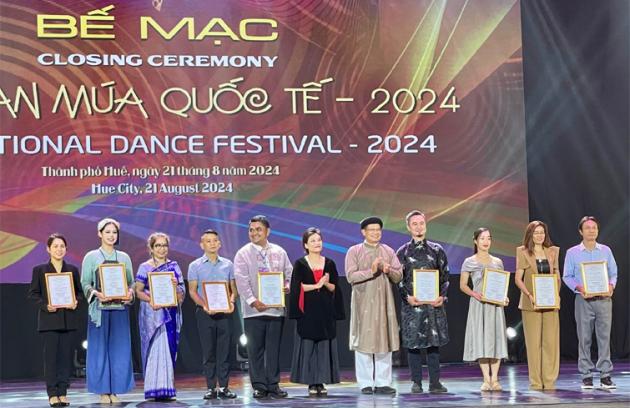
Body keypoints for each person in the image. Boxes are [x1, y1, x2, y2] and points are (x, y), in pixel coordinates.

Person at [234, 215, 293, 399]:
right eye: (251, 230)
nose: (254, 233)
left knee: (273, 350)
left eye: (258, 229)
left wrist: (287, 285)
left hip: (275, 310)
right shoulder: (243, 253)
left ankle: (273, 385)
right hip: (253, 311)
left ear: (268, 231)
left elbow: (289, 273)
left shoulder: (279, 251)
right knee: (255, 351)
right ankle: (259, 386)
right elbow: (241, 281)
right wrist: (253, 301)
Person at [81, 218, 135, 404]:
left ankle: (115, 390)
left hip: (119, 309)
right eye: (107, 232)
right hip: (99, 311)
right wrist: (96, 293)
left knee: (119, 350)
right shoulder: (91, 257)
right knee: (99, 351)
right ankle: (103, 391)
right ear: (100, 234)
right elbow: (85, 283)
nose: (111, 235)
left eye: (114, 232)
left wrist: (130, 293)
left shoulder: (124, 257)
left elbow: (131, 283)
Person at [346, 216, 402, 395]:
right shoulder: (354, 251)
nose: (376, 233)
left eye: (378, 230)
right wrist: (371, 271)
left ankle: (383, 382)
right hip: (363, 303)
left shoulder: (388, 251)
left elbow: (398, 276)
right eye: (372, 230)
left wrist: (388, 269)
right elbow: (351, 276)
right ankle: (365, 383)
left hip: (384, 302)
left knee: (384, 339)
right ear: (363, 232)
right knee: (364, 341)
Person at [396, 211, 449, 394]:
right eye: (415, 224)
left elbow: (445, 277)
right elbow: (399, 280)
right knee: (413, 344)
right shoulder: (403, 252)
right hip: (412, 305)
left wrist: (442, 296)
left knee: (433, 344)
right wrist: (407, 297)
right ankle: (416, 382)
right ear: (408, 227)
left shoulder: (437, 250)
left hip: (433, 305)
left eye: (421, 223)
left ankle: (435, 382)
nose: (419, 227)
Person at [288, 227, 345, 397]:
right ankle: (311, 382)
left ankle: (321, 381)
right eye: (312, 241)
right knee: (309, 346)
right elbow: (297, 287)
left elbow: (335, 287)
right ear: (305, 245)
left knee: (324, 347)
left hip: (325, 312)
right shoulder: (300, 264)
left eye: (319, 240)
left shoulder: (330, 263)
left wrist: (325, 284)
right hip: (307, 312)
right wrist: (316, 285)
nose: (316, 243)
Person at [563, 216, 617, 390]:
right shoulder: (572, 252)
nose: (591, 230)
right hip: (583, 300)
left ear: (598, 230)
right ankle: (586, 375)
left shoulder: (606, 250)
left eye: (594, 227)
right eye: (587, 228)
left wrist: (611, 285)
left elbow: (613, 273)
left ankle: (605, 375)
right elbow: (567, 276)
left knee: (604, 338)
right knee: (584, 338)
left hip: (604, 300)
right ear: (581, 231)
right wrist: (579, 287)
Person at [28, 233, 82, 407]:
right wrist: (45, 306)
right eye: (55, 246)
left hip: (68, 321)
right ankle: (52, 394)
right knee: (51, 359)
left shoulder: (72, 270)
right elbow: (33, 294)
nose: (59, 249)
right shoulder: (39, 270)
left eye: (62, 246)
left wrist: (75, 301)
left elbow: (79, 293)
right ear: (48, 249)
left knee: (65, 359)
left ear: (66, 249)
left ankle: (63, 392)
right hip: (49, 321)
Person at [188, 229, 238, 399]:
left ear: (219, 244)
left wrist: (231, 302)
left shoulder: (228, 264)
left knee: (225, 351)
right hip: (205, 313)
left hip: (224, 313)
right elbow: (192, 291)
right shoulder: (195, 266)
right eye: (208, 241)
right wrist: (204, 305)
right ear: (202, 245)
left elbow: (233, 289)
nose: (212, 244)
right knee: (208, 351)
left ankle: (224, 387)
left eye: (214, 240)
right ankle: (211, 387)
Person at [135, 232, 186, 400]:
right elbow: (138, 291)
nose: (162, 249)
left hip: (169, 314)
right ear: (151, 248)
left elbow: (181, 293)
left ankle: (167, 389)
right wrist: (152, 300)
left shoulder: (174, 266)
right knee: (154, 348)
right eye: (158, 245)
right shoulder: (145, 267)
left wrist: (176, 287)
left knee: (168, 349)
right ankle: (153, 389)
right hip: (153, 316)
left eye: (164, 245)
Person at [460, 227, 508, 392]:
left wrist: (504, 297)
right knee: (481, 339)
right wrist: (474, 293)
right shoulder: (469, 261)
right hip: (479, 305)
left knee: (496, 339)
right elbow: (463, 285)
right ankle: (486, 379)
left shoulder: (498, 262)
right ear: (475, 241)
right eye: (482, 238)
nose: (486, 241)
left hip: (495, 306)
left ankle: (495, 379)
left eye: (488, 238)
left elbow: (501, 284)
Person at [515, 221, 560, 390]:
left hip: (550, 302)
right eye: (536, 232)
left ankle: (549, 381)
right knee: (533, 344)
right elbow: (518, 279)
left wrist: (556, 292)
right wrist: (529, 295)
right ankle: (535, 382)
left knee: (550, 343)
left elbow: (556, 274)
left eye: (542, 232)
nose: (539, 235)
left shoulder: (552, 251)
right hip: (531, 303)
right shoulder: (523, 251)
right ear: (530, 235)